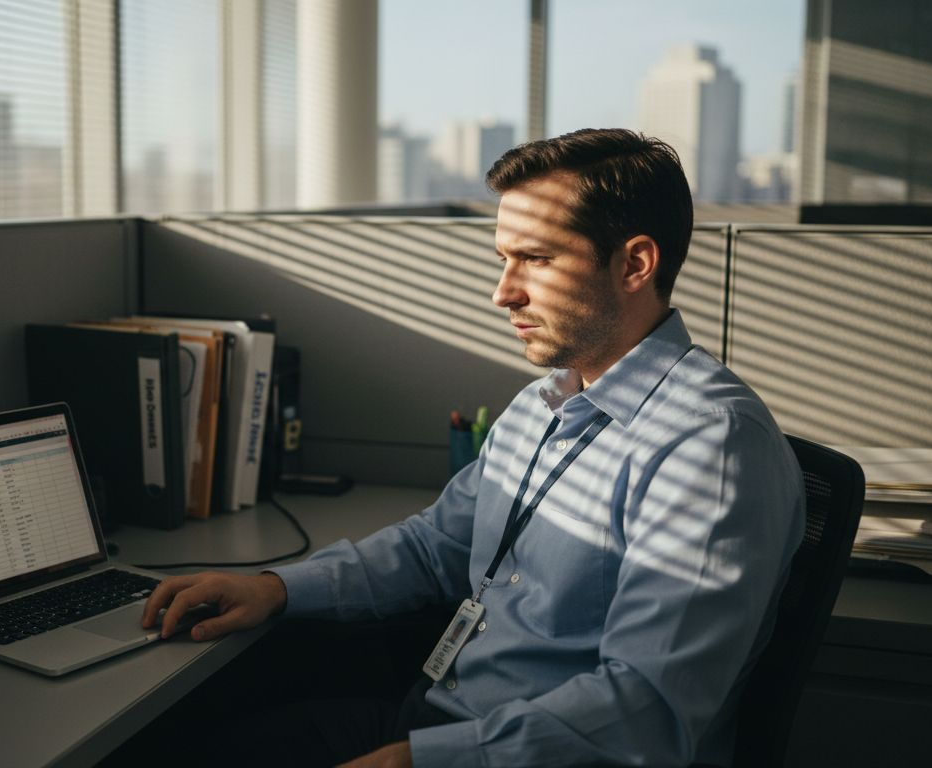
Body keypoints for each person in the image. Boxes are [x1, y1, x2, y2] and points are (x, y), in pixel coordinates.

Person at [141, 128, 805, 768]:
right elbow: (437, 547)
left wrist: (422, 760)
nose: (502, 292)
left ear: (634, 263)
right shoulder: (545, 402)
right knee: (198, 742)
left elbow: (644, 710)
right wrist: (275, 588)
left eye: (537, 259)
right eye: (503, 260)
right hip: (443, 721)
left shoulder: (708, 446)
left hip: (520, 754)